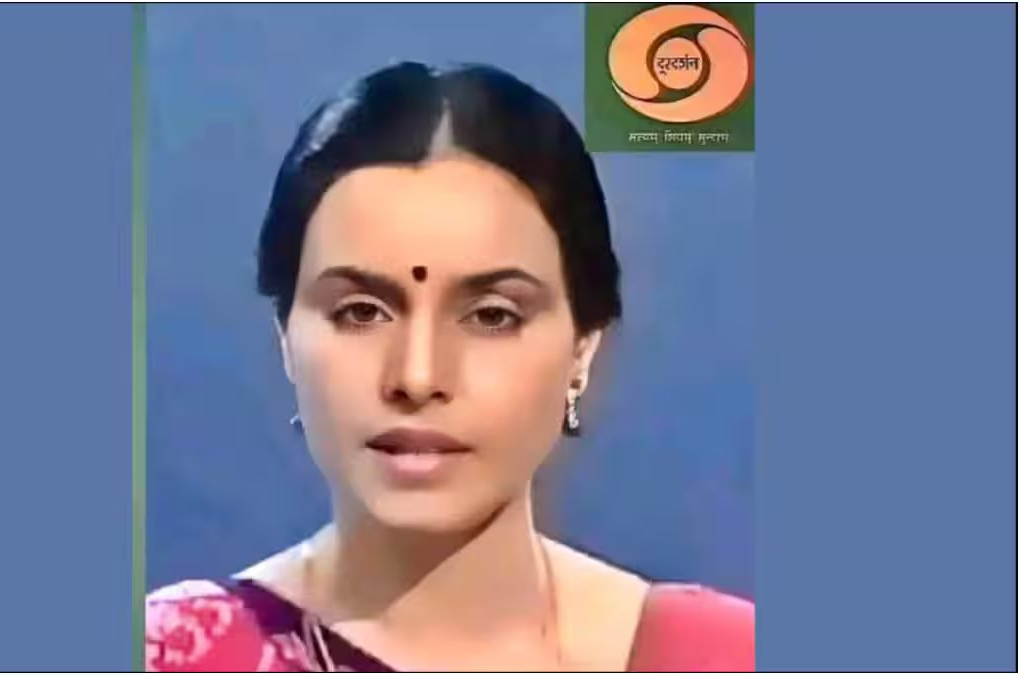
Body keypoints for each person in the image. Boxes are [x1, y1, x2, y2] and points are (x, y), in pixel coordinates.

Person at [145, 60, 754, 672]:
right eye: (361, 312)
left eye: (491, 316)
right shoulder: (175, 654)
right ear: (286, 338)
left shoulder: (728, 655)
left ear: (581, 349)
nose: (417, 377)